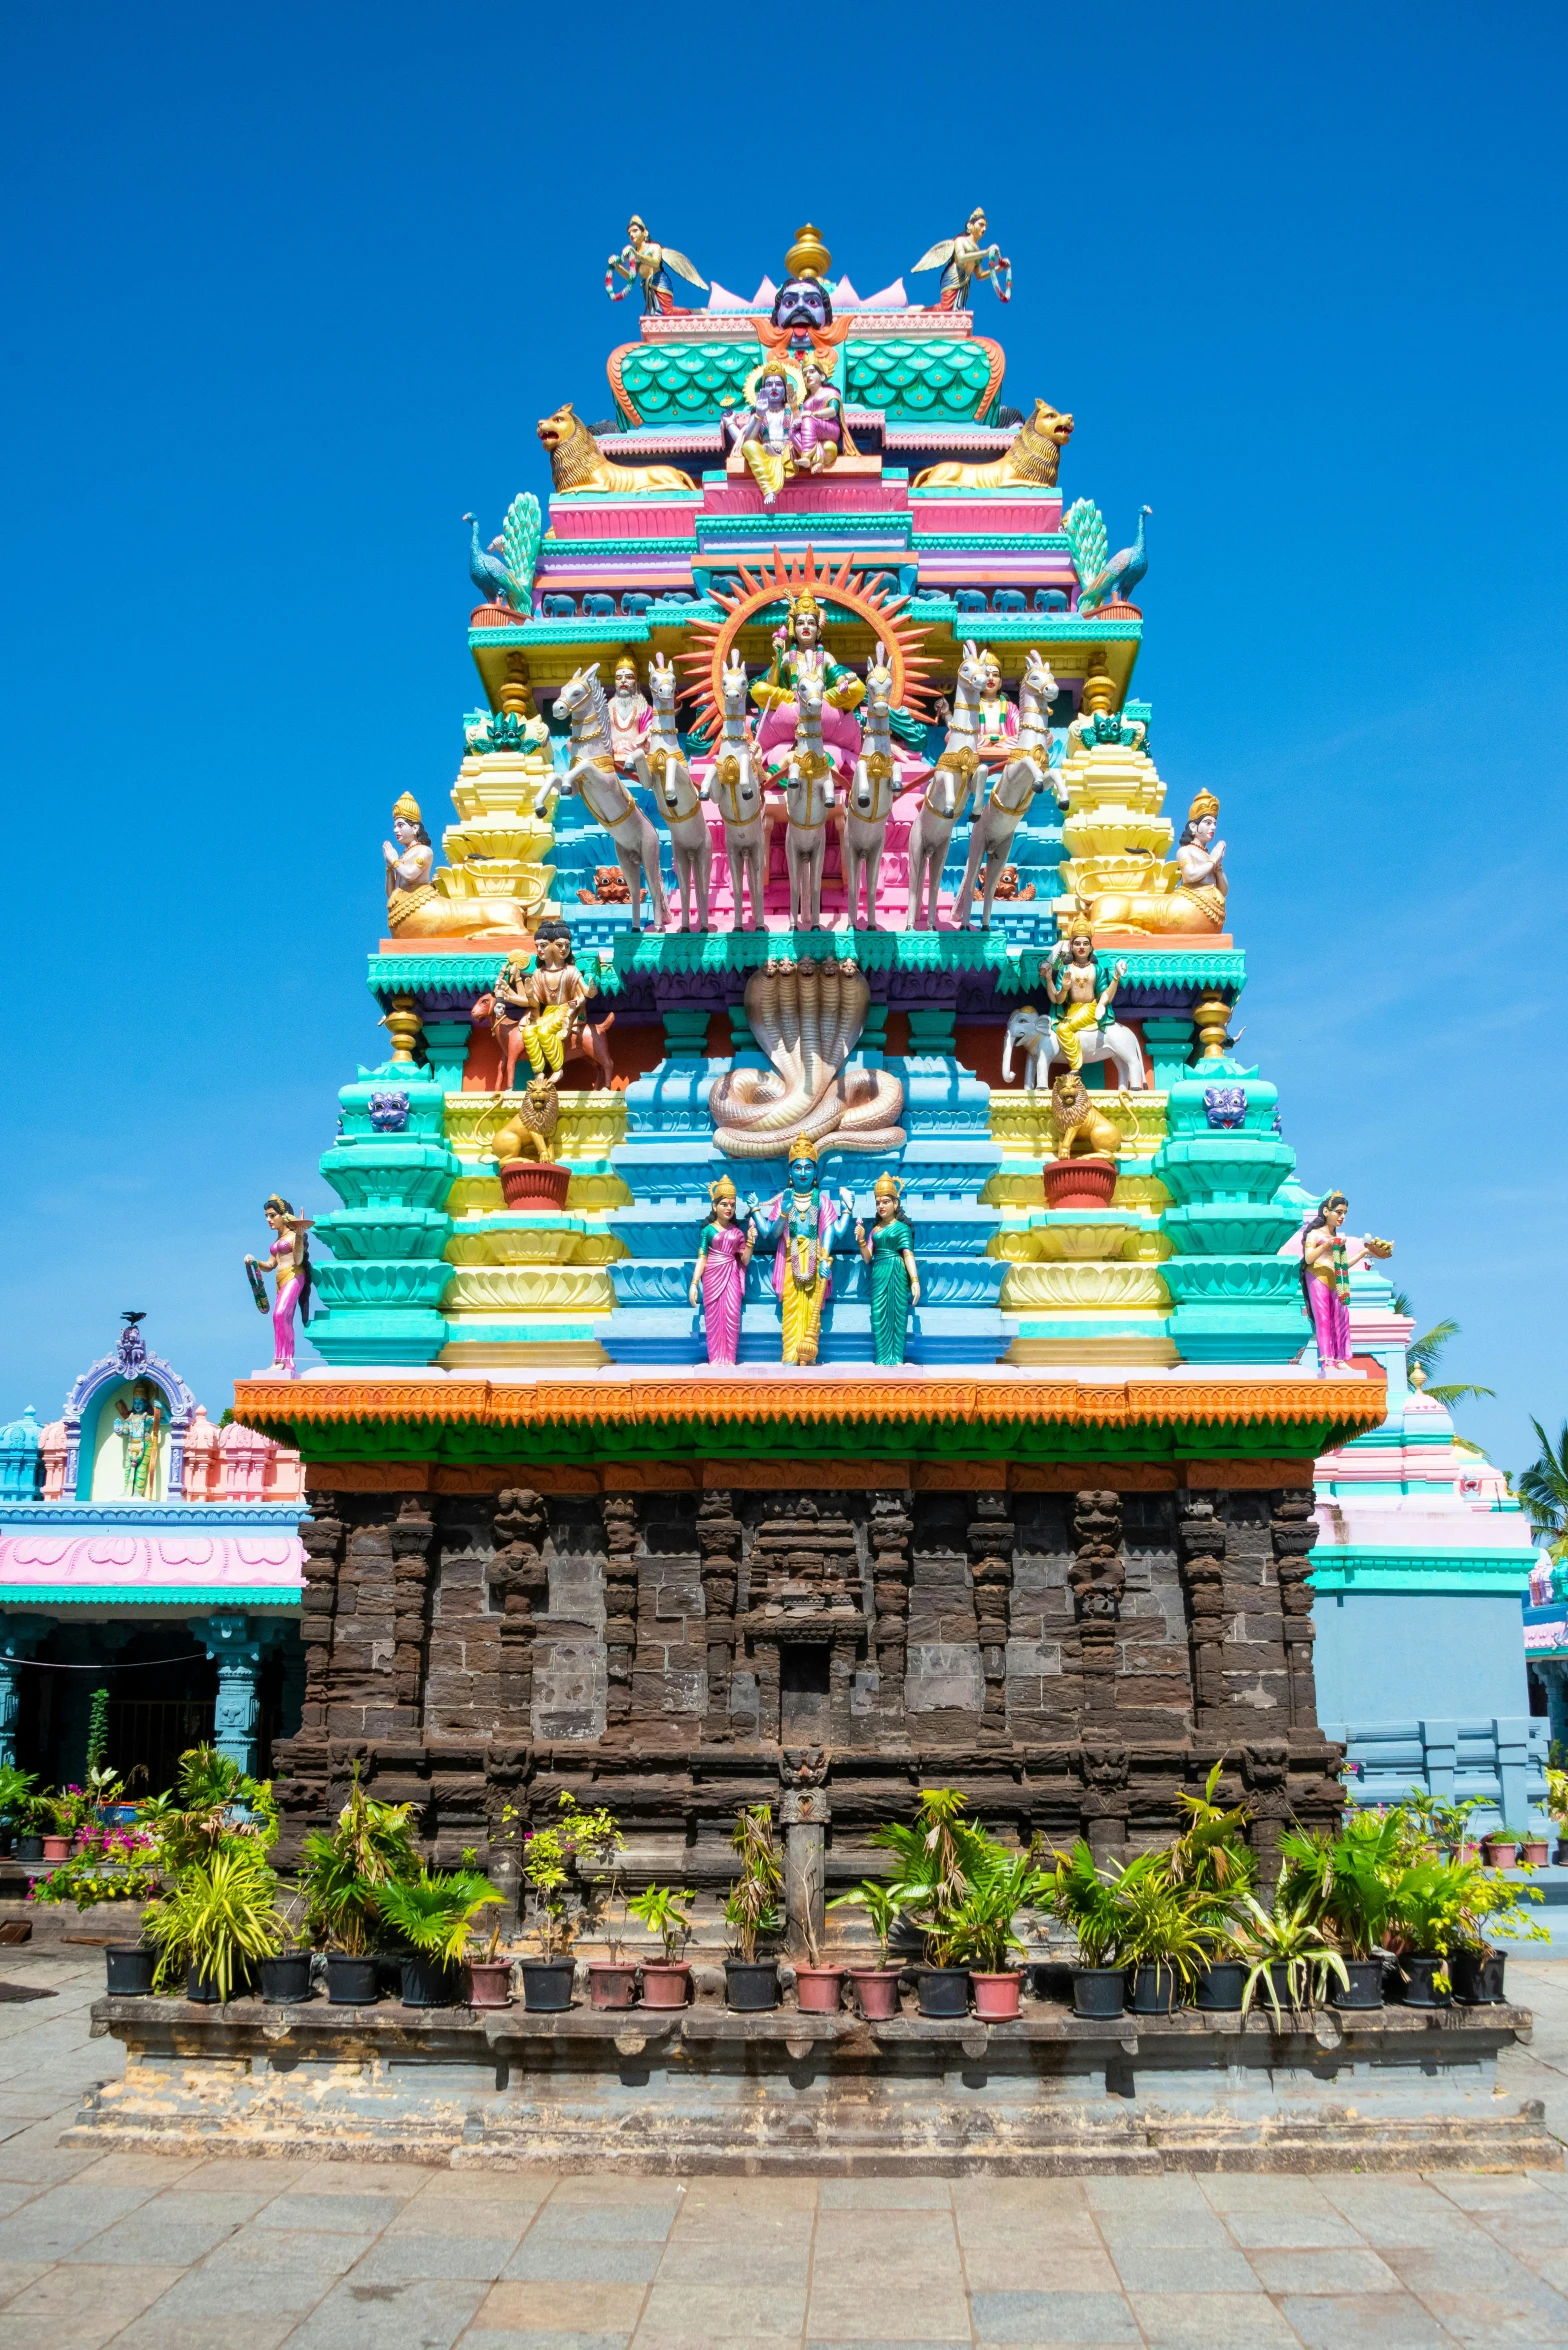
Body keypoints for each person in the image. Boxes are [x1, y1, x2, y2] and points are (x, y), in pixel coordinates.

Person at [755, 1136, 853, 1367]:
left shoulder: (822, 1201)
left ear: (815, 1172)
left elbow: (833, 1231)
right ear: (790, 1172)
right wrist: (783, 1213)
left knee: (812, 1311)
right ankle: (790, 1354)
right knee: (791, 1309)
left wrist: (847, 1209)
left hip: (815, 1261)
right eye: (797, 1167)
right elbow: (772, 1232)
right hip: (790, 1261)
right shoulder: (785, 1201)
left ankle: (808, 1355)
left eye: (808, 1167)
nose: (803, 1172)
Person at [1300, 1193, 1392, 1375]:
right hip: (1317, 1276)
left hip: (1336, 1278)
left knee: (1340, 1319)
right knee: (1323, 1319)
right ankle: (1327, 1360)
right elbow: (1309, 1258)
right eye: (1338, 1212)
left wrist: (1365, 1252)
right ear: (1326, 1211)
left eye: (1345, 1213)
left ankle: (1339, 1359)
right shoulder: (1315, 1234)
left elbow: (1341, 1265)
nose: (1342, 1217)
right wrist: (1326, 1245)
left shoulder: (1337, 1239)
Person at [1044, 918, 1127, 1073]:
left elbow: (1104, 994)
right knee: (1062, 1027)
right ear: (1071, 947)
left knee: (1063, 1029)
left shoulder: (1097, 970)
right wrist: (1062, 988)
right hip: (1072, 1010)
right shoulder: (1066, 969)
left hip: (1091, 1008)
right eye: (1077, 943)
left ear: (1091, 947)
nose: (1081, 947)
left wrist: (1115, 979)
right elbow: (1057, 1000)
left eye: (1085, 943)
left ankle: (1076, 1067)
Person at [689, 1177, 757, 1366]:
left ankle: (729, 1359)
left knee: (731, 1316)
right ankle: (715, 1358)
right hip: (712, 1276)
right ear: (714, 1206)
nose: (729, 1208)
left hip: (731, 1276)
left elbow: (744, 1260)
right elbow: (702, 1257)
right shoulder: (708, 1231)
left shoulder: (737, 1233)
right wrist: (694, 1283)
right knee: (714, 1319)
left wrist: (750, 1241)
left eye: (732, 1205)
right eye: (724, 1204)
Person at [856, 1175, 920, 1366]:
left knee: (897, 1314)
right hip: (878, 1272)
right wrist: (860, 1240)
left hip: (896, 1272)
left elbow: (907, 1254)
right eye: (878, 1203)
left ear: (895, 1203)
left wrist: (915, 1280)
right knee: (879, 1314)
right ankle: (883, 1357)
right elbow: (868, 1257)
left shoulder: (901, 1229)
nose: (881, 1206)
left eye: (885, 1201)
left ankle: (896, 1357)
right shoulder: (875, 1230)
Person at [247, 1196, 314, 1377]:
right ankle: (282, 1360)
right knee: (281, 1318)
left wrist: (299, 1234)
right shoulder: (277, 1241)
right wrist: (254, 1262)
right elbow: (269, 1266)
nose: (269, 1220)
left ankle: (283, 1360)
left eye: (272, 1215)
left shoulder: (293, 1236)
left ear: (283, 1216)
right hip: (280, 1279)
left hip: (294, 1276)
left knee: (280, 1315)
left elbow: (298, 1259)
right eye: (267, 1216)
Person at [724, 365, 800, 508]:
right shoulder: (759, 412)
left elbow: (801, 430)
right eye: (769, 384)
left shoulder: (791, 410)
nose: (774, 388)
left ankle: (775, 469)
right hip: (766, 453)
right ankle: (768, 489)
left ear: (785, 389)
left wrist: (795, 407)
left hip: (787, 453)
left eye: (778, 384)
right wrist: (759, 414)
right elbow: (746, 439)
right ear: (763, 389)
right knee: (749, 446)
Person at [605, 216, 707, 313]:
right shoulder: (634, 254)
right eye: (629, 233)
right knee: (656, 314)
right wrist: (617, 266)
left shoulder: (654, 247)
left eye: (635, 231)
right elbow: (630, 276)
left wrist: (637, 255)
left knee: (668, 311)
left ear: (645, 232)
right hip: (647, 286)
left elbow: (655, 262)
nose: (632, 235)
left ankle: (695, 312)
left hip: (659, 282)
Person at [790, 359, 845, 474]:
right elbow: (800, 421)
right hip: (812, 429)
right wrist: (794, 406)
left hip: (830, 428)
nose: (808, 376)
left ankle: (806, 456)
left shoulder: (830, 392)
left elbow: (833, 411)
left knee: (808, 420)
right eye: (805, 374)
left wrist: (813, 414)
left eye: (812, 372)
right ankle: (816, 462)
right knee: (792, 432)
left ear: (822, 377)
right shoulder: (807, 401)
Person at [114, 1384, 164, 1499]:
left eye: (140, 1402)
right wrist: (119, 1430)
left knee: (141, 1469)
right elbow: (125, 1432)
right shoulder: (130, 1418)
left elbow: (165, 1420)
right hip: (131, 1444)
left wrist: (161, 1408)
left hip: (145, 1443)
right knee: (128, 1468)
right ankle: (127, 1490)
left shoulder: (147, 1418)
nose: (137, 1405)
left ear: (145, 1404)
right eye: (135, 1402)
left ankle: (138, 1492)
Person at [607, 658, 653, 775]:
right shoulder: (606, 708)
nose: (623, 681)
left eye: (629, 677)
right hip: (611, 753)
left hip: (637, 750)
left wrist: (645, 734)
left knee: (652, 740)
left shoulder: (644, 707)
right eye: (619, 678)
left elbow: (650, 728)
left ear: (636, 682)